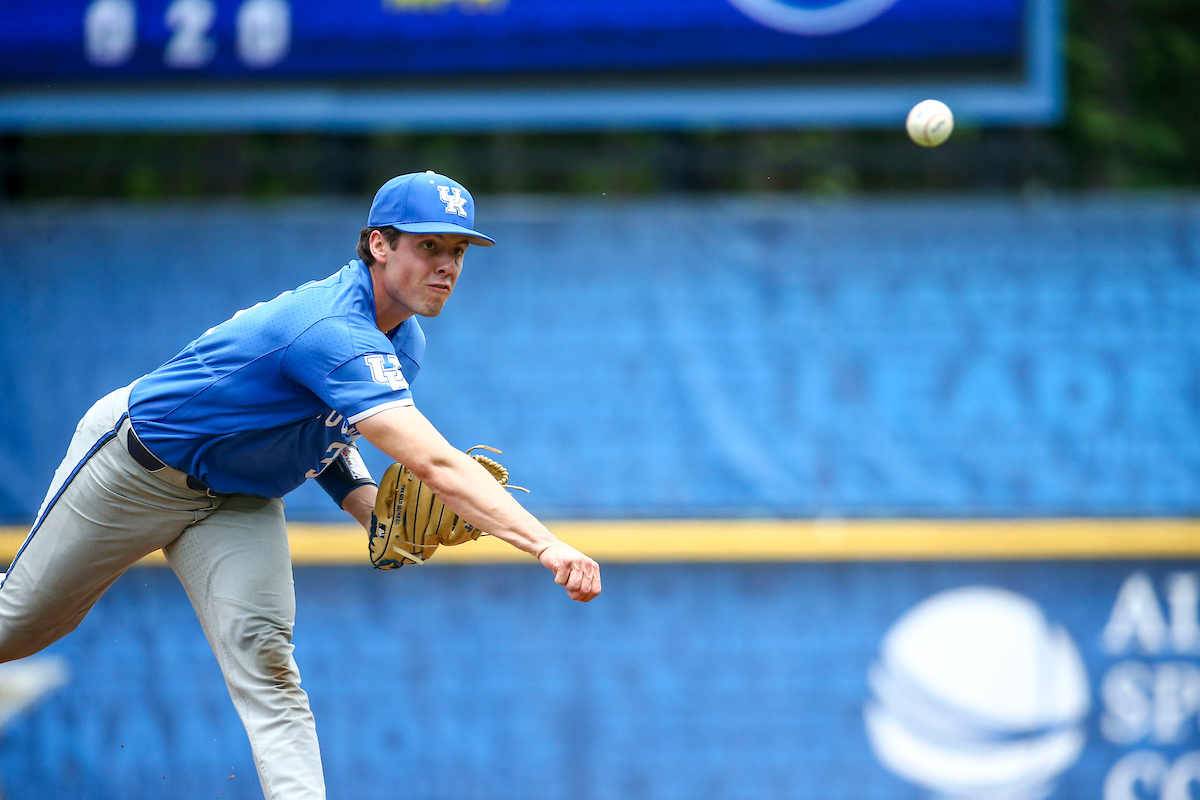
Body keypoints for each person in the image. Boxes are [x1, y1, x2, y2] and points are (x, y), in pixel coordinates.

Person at [0, 171, 601, 800]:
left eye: (457, 251)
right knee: (20, 628)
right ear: (378, 245)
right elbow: (437, 467)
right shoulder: (332, 329)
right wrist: (545, 546)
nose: (447, 265)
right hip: (137, 470)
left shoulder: (404, 341)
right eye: (428, 246)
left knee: (269, 667)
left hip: (239, 498)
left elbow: (327, 435)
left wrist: (368, 508)